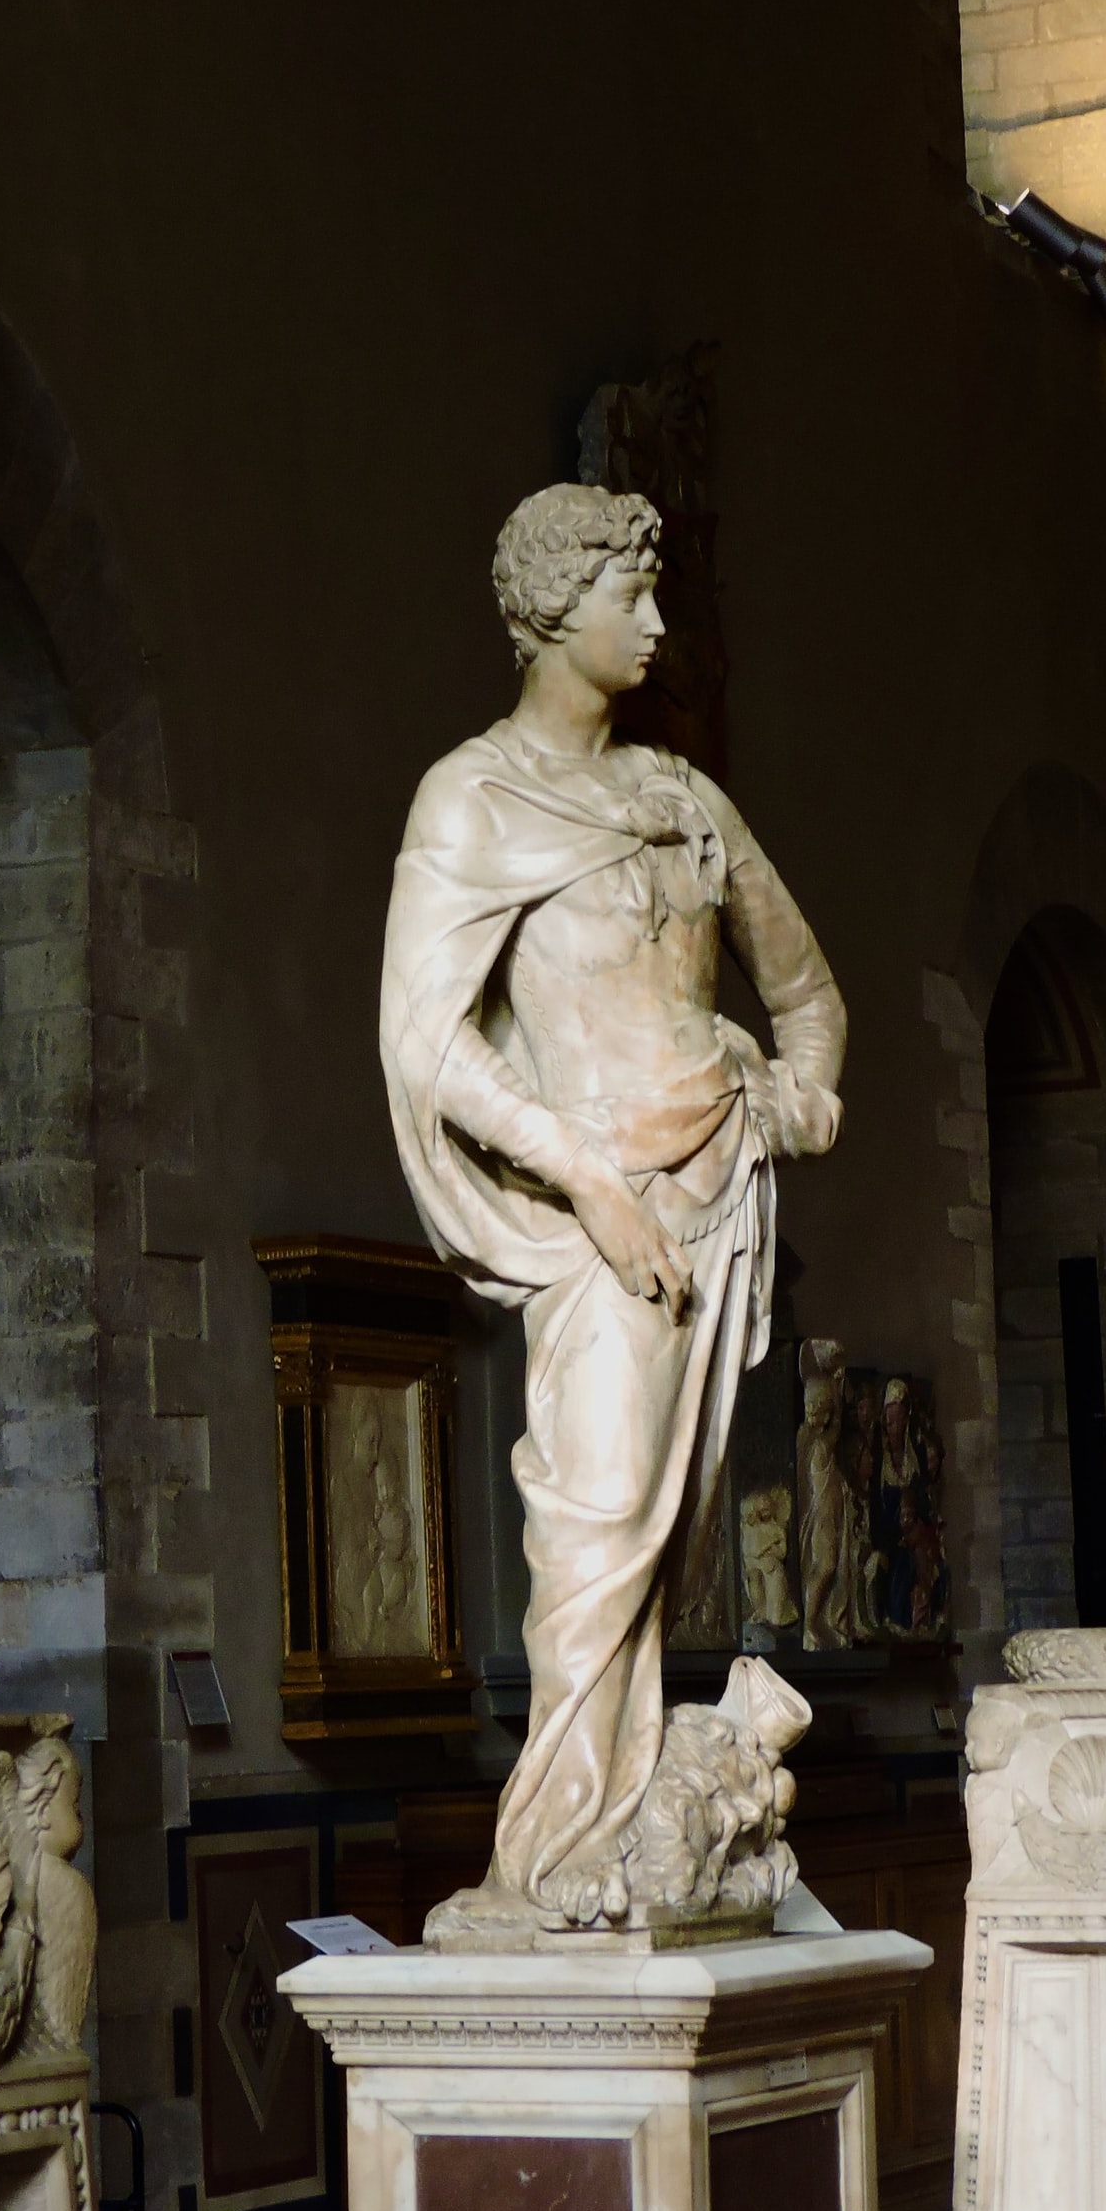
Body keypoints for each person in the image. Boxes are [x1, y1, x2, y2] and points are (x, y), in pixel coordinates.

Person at [381, 482, 844, 1927]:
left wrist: (798, 1098)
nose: (652, 624)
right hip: (604, 1218)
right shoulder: (472, 799)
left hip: (719, 1195)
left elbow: (809, 993)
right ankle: (556, 1853)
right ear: (548, 609)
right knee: (593, 1530)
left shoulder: (687, 799)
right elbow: (426, 1039)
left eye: (653, 594)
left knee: (669, 1544)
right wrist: (584, 1179)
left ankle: (633, 1830)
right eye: (625, 597)